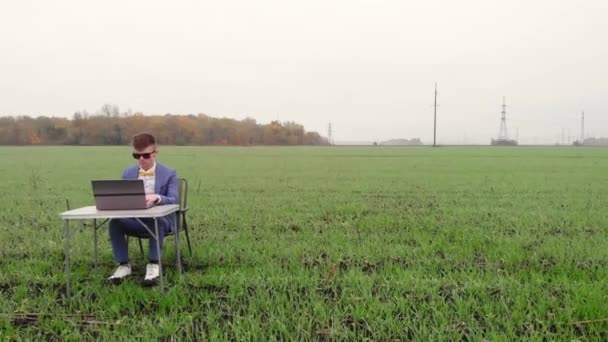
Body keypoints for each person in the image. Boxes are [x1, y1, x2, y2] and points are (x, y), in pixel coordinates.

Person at [107, 133, 178, 285]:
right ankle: (123, 266)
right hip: (136, 219)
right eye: (136, 156)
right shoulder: (128, 172)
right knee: (115, 223)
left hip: (162, 221)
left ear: (155, 153)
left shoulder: (169, 173)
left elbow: (174, 199)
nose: (141, 160)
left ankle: (153, 265)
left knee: (156, 221)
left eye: (145, 155)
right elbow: (123, 198)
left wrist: (157, 197)